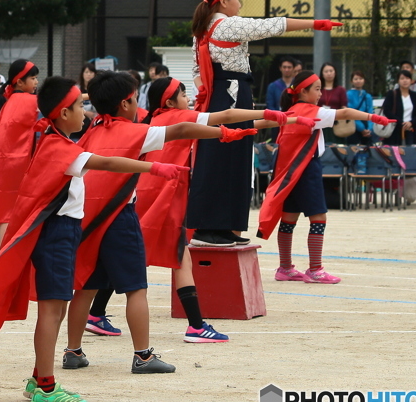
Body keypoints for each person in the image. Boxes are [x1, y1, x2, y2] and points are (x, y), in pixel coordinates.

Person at [0, 76, 183, 402]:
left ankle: (39, 376)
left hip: (62, 234)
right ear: (63, 113)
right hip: (57, 235)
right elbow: (108, 162)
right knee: (52, 311)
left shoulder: (54, 140)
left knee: (57, 308)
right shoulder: (59, 147)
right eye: (79, 106)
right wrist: (155, 167)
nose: (85, 111)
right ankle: (46, 388)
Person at [64, 71, 257, 374]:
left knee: (84, 290)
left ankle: (72, 351)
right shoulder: (137, 131)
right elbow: (181, 129)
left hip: (88, 219)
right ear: (126, 103)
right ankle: (143, 356)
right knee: (136, 289)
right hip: (120, 219)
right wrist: (225, 133)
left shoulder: (91, 133)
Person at [125, 77, 296, 342]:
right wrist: (268, 114)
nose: (188, 97)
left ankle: (97, 312)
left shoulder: (154, 120)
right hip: (161, 198)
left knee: (136, 254)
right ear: (170, 101)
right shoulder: (180, 117)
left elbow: (230, 121)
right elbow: (227, 115)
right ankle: (195, 326)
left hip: (147, 193)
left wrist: (281, 120)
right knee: (167, 256)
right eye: (183, 93)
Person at [188, 0, 341, 247]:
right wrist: (315, 24)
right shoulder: (226, 23)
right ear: (223, 1)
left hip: (222, 95)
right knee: (226, 161)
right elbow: (271, 25)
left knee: (226, 161)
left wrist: (207, 93)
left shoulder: (203, 28)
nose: (240, 3)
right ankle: (211, 229)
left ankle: (222, 227)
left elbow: (197, 73)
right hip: (231, 95)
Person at [257, 71, 392, 284]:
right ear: (303, 91)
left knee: (289, 217)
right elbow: (345, 112)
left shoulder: (291, 110)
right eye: (317, 89)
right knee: (318, 217)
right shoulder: (312, 112)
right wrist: (373, 117)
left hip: (288, 170)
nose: (321, 93)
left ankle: (285, 268)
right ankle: (315, 269)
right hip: (306, 168)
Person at [0, 59, 40, 243]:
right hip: (17, 164)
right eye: (33, 78)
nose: (36, 82)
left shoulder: (11, 101)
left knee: (7, 213)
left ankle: (3, 256)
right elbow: (60, 102)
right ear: (20, 82)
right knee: (15, 212)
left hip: (5, 164)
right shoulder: (28, 100)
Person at [382, 70, 416, 145]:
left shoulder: (415, 96)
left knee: (410, 152)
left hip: (411, 129)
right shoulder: (392, 94)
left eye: (407, 78)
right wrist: (401, 123)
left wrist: (411, 122)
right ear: (398, 81)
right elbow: (387, 111)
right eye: (402, 78)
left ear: (411, 80)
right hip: (394, 129)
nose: (405, 81)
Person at [345, 71, 374, 145]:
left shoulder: (368, 96)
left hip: (366, 126)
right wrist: (361, 129)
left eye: (360, 78)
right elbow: (351, 113)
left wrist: (369, 129)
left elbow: (370, 112)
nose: (358, 81)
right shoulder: (348, 95)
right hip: (353, 126)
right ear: (352, 81)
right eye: (356, 79)